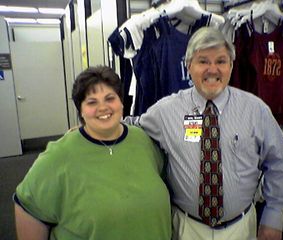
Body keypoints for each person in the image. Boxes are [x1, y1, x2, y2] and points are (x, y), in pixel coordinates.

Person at [126, 27, 283, 240]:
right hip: (187, 229)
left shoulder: (256, 110)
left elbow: (279, 160)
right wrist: (90, 129)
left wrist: (274, 216)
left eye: (221, 61)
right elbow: (131, 125)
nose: (212, 70)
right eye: (203, 61)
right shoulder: (165, 111)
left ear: (231, 66)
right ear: (189, 66)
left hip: (241, 229)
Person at [13, 66, 172, 240]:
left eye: (109, 98)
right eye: (92, 102)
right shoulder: (59, 155)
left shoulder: (143, 140)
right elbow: (29, 207)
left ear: (121, 102)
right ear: (81, 110)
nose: (102, 107)